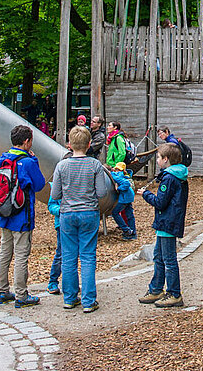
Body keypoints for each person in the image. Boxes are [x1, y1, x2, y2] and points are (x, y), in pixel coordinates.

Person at [49, 126, 111, 313]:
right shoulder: (94, 165)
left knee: (68, 256)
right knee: (87, 256)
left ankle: (69, 297)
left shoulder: (62, 166)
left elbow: (55, 193)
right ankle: (88, 299)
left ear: (69, 144)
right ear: (89, 144)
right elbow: (101, 192)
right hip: (89, 212)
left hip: (67, 213)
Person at [0, 125, 47, 308]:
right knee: (21, 255)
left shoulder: (4, 158)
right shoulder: (27, 162)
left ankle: (1, 290)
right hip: (22, 215)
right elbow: (39, 184)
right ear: (27, 141)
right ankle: (21, 295)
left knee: (4, 253)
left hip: (5, 214)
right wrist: (36, 161)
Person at [139, 143, 189, 308]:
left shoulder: (169, 178)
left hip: (168, 223)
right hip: (166, 222)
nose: (158, 160)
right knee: (158, 256)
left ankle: (174, 293)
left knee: (168, 259)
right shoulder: (175, 175)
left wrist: (146, 194)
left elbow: (160, 202)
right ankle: (156, 289)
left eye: (159, 158)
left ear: (166, 159)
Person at [109, 162, 137, 241]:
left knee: (115, 213)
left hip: (125, 198)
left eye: (117, 169)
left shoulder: (118, 175)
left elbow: (126, 184)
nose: (116, 170)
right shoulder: (124, 175)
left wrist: (118, 189)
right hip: (129, 196)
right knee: (129, 215)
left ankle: (126, 230)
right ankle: (133, 233)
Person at [47, 192, 62, 296]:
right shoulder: (57, 183)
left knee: (74, 255)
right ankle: (53, 282)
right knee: (60, 254)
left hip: (76, 223)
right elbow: (51, 205)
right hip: (62, 224)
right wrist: (60, 211)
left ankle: (70, 283)